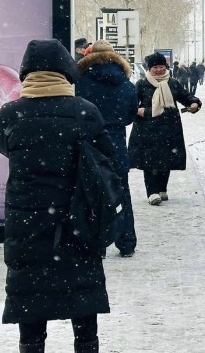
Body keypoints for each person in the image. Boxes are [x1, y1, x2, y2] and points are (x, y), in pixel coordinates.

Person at [0, 39, 113, 353]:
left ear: (25, 73)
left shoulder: (9, 114)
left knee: (31, 310)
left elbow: (6, 148)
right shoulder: (85, 112)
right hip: (77, 223)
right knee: (83, 304)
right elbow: (107, 157)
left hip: (27, 227)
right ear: (67, 71)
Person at [75, 40, 138, 258]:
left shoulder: (80, 82)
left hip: (89, 144)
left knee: (90, 194)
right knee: (122, 193)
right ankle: (127, 241)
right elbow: (130, 117)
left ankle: (97, 244)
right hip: (117, 144)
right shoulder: (127, 84)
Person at [128, 52, 202, 205]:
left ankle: (162, 188)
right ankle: (152, 192)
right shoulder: (141, 84)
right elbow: (131, 105)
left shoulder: (173, 83)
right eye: (155, 67)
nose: (159, 70)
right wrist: (141, 111)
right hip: (147, 129)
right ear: (149, 69)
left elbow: (185, 96)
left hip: (169, 128)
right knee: (150, 161)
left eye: (161, 66)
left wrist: (194, 103)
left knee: (165, 159)